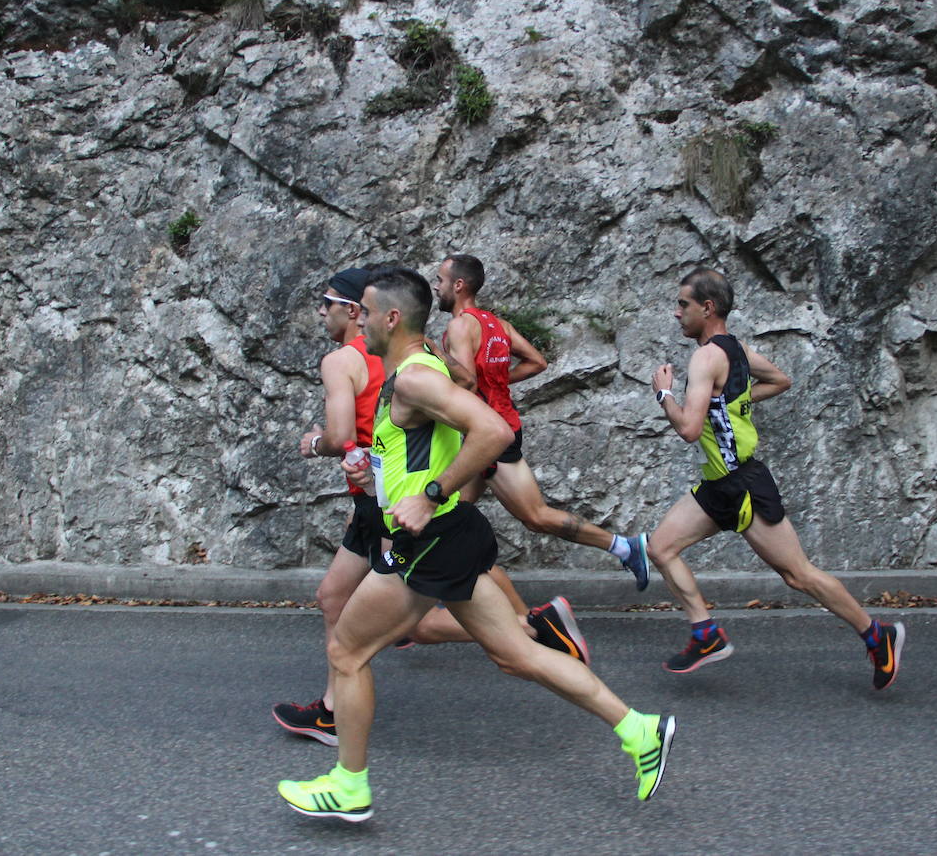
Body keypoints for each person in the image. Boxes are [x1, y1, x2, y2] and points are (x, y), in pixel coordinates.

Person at [276, 267, 676, 821]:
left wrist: (430, 494)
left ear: (392, 318)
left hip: (429, 542)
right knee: (518, 654)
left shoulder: (415, 379)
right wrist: (382, 482)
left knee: (346, 652)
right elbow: (426, 448)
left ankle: (349, 785)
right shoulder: (421, 371)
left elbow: (494, 431)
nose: (358, 319)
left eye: (365, 311)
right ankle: (640, 729)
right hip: (451, 537)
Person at [271, 268, 591, 746]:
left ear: (373, 314)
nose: (325, 310)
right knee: (335, 601)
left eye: (331, 301)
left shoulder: (352, 362)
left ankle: (536, 631)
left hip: (405, 514)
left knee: (398, 629)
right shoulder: (418, 357)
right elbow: (450, 400)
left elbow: (349, 435)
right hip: (382, 502)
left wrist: (326, 446)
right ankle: (335, 712)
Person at [641, 267, 905, 687]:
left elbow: (689, 430)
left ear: (707, 308)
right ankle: (705, 634)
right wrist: (726, 404)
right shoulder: (738, 351)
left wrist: (664, 394)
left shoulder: (707, 356)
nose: (676, 313)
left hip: (743, 485)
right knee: (660, 548)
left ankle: (878, 635)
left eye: (683, 304)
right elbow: (780, 379)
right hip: (716, 484)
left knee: (798, 574)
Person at [432, 254, 650, 590]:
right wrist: (500, 383)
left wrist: (435, 354)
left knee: (535, 516)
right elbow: (536, 362)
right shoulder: (497, 325)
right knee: (451, 511)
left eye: (440, 280)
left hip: (489, 436)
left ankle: (625, 547)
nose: (436, 287)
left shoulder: (460, 327)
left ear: (458, 285)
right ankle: (440, 586)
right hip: (494, 427)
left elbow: (466, 382)